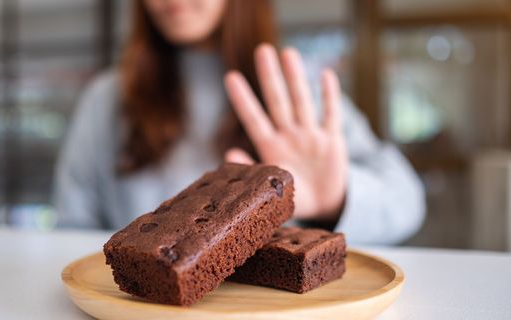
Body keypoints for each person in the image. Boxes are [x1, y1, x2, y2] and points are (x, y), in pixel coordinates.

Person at [53, 0, 425, 245]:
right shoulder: (107, 99)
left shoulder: (295, 91)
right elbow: (71, 229)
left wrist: (335, 199)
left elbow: (406, 203)